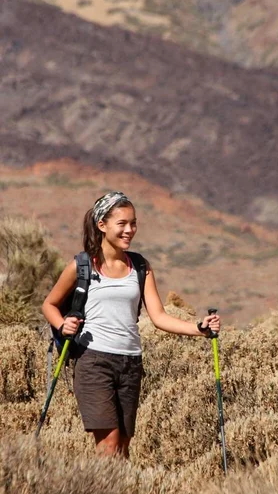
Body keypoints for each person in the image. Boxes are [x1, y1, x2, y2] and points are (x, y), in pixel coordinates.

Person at [42, 191, 221, 458]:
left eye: (133, 223)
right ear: (102, 225)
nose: (129, 230)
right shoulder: (82, 266)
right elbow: (49, 304)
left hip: (130, 363)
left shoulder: (140, 266)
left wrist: (199, 329)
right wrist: (62, 324)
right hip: (93, 361)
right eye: (122, 224)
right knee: (110, 444)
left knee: (123, 446)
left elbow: (159, 317)